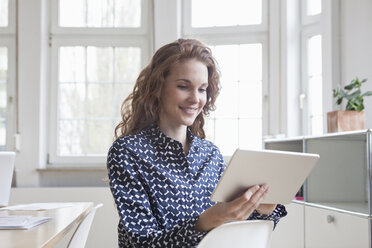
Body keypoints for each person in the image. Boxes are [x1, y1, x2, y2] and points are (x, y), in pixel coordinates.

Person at [107, 38, 287, 247]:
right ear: (158, 88)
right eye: (184, 86)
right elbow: (141, 243)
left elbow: (236, 233)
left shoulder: (211, 155)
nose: (195, 98)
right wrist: (208, 220)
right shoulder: (128, 152)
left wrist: (262, 210)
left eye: (202, 89)